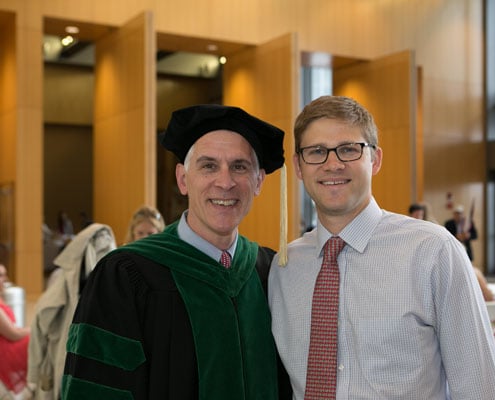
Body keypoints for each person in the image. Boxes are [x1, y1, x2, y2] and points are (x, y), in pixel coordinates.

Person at [269, 95, 495, 399]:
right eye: (316, 152)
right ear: (299, 167)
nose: (333, 164)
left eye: (349, 149)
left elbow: (478, 388)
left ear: (375, 159)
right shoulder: (285, 268)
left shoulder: (433, 252)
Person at [61, 104, 288, 400]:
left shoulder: (270, 272)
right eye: (209, 166)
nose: (225, 182)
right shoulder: (125, 275)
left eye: (239, 167)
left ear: (258, 181)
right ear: (183, 179)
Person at [28, 223, 117, 399]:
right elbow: (42, 319)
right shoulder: (61, 280)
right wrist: (34, 372)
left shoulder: (115, 277)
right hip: (67, 357)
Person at [0, 263, 30, 398]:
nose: (5, 279)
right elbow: (13, 334)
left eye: (5, 275)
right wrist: (34, 329)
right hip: (4, 350)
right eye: (0, 276)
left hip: (8, 343)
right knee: (38, 339)